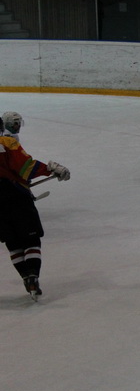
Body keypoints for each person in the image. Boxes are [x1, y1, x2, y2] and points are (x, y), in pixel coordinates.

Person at [0, 118, 70, 299]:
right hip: (16, 198)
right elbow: (25, 167)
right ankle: (32, 276)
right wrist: (49, 169)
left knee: (12, 242)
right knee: (30, 240)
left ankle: (25, 277)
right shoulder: (6, 142)